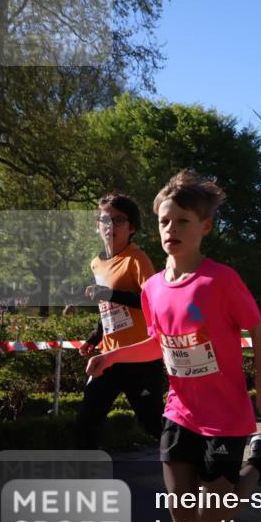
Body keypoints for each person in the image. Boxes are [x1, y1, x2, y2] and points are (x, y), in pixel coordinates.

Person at [85, 170, 261, 522]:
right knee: (183, 514)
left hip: (225, 415)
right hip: (180, 412)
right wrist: (113, 357)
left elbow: (257, 328)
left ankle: (260, 465)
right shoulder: (153, 287)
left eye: (182, 221)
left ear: (205, 228)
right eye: (164, 221)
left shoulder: (220, 280)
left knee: (213, 513)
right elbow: (157, 342)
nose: (170, 230)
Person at [74, 193, 164, 450]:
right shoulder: (97, 263)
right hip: (109, 356)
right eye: (104, 220)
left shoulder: (137, 259)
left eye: (118, 220)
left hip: (140, 358)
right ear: (96, 225)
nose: (109, 226)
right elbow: (108, 310)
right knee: (87, 419)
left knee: (152, 424)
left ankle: (198, 466)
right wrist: (95, 337)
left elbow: (153, 302)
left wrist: (110, 293)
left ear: (131, 227)